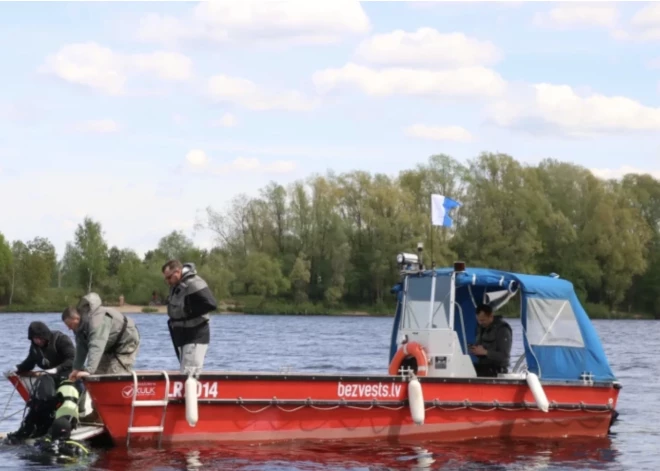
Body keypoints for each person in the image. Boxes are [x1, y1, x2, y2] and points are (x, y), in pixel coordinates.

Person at [61, 292, 140, 380]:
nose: (68, 328)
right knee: (98, 374)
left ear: (76, 318)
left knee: (114, 373)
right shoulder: (79, 328)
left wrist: (89, 370)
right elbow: (81, 348)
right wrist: (76, 368)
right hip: (109, 344)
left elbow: (96, 346)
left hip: (126, 342)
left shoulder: (96, 321)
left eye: (69, 324)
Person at [161, 260, 217, 375]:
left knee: (189, 374)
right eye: (165, 279)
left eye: (169, 277)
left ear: (177, 272)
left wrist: (189, 310)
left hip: (196, 335)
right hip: (183, 337)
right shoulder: (176, 284)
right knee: (185, 372)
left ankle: (191, 393)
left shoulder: (194, 283)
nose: (167, 281)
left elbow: (211, 304)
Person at [469, 303, 513, 377]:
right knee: (465, 368)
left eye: (483, 320)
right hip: (483, 365)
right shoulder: (480, 328)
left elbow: (504, 356)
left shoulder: (502, 330)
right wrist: (475, 349)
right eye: (478, 320)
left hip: (497, 369)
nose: (480, 323)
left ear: (491, 316)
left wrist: (485, 352)